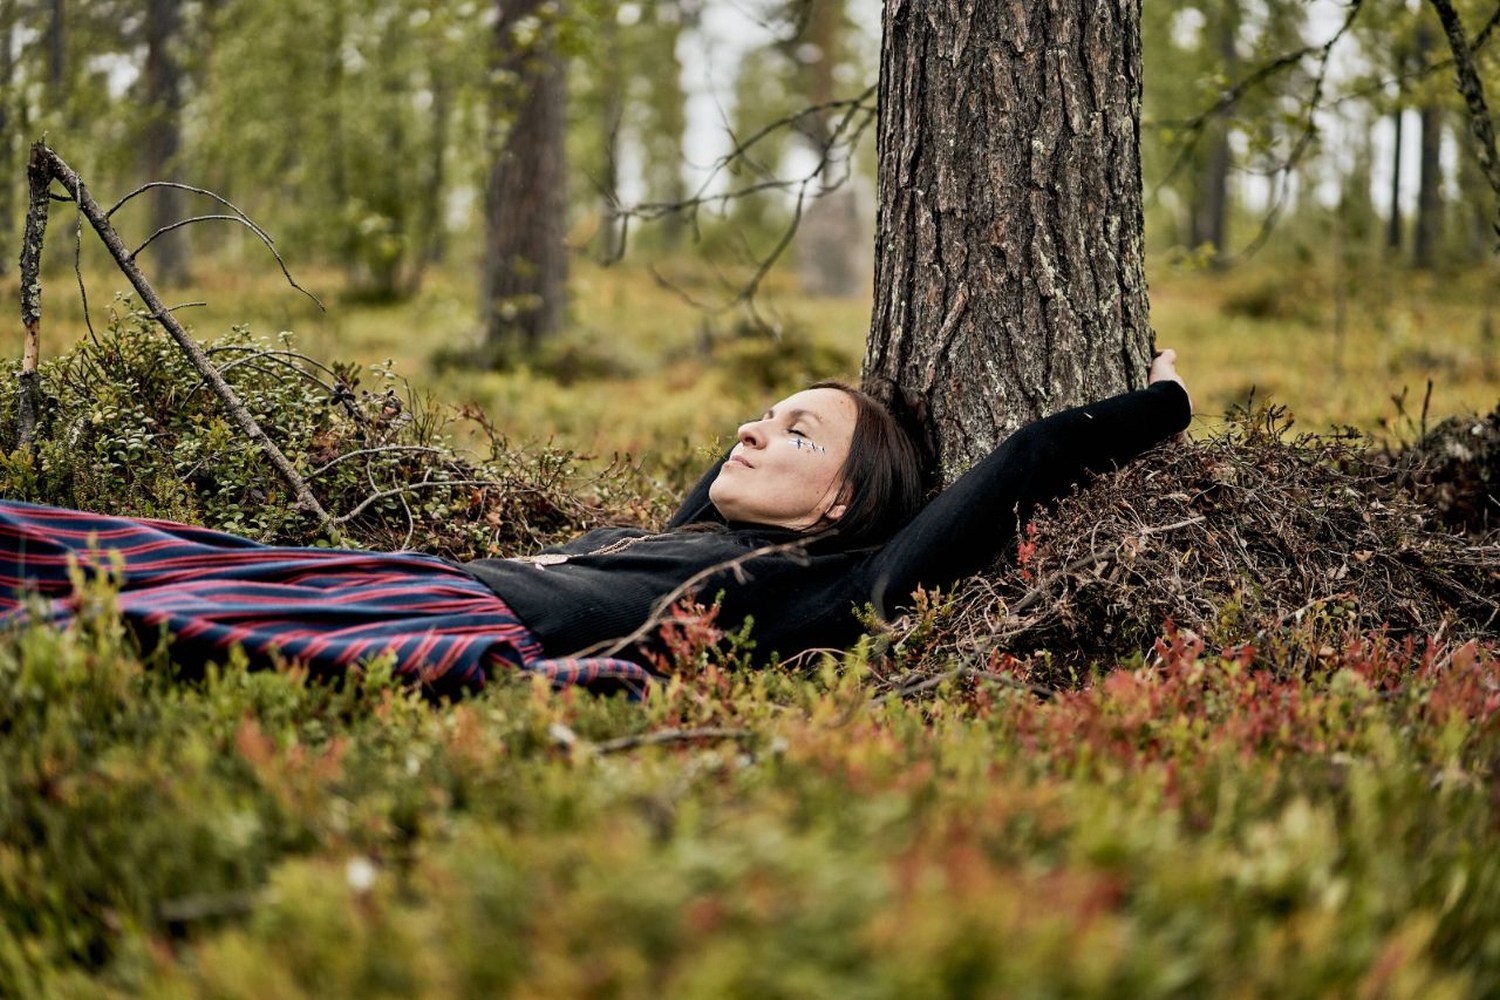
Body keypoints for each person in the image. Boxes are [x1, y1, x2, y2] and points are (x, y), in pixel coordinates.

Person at [0, 352, 1191, 697]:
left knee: (131, 609)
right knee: (106, 546)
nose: (752, 431)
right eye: (761, 414)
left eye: (800, 434)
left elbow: (1029, 458)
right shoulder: (706, 537)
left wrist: (1163, 400)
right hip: (409, 573)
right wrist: (768, 444)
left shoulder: (827, 589)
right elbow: (726, 475)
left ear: (843, 505)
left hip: (449, 614)